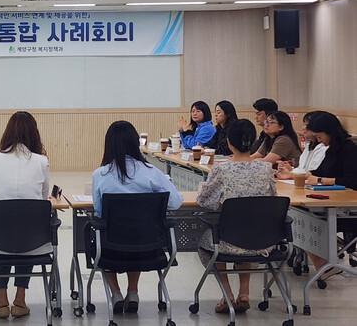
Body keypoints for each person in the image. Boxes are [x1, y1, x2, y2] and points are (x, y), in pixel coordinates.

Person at [91, 120, 183, 314]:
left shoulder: (100, 174)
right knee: (136, 233)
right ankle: (133, 292)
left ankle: (115, 293)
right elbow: (175, 202)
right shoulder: (151, 172)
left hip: (111, 247)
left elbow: (99, 212)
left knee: (104, 239)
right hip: (147, 246)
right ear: (135, 143)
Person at [196, 119, 276, 314]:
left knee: (209, 243)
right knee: (247, 226)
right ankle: (244, 292)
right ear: (254, 141)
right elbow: (272, 198)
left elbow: (205, 201)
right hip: (263, 241)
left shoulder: (221, 169)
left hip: (229, 240)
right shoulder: (266, 168)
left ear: (229, 142)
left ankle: (228, 294)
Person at [0, 111, 50, 319]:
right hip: (33, 241)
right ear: (34, 134)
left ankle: (1, 300)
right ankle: (20, 299)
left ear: (7, 133)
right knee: (26, 225)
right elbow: (43, 200)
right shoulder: (41, 161)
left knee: (3, 225)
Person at [304, 112, 357, 280]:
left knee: (306, 222)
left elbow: (352, 181)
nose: (319, 141)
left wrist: (321, 180)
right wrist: (303, 175)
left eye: (320, 136)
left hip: (348, 211)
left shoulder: (349, 149)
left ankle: (325, 265)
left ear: (330, 132)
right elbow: (320, 171)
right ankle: (324, 266)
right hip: (332, 204)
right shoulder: (332, 150)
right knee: (300, 216)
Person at [275, 111, 329, 179]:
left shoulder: (324, 147)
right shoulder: (310, 145)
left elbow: (314, 173)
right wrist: (290, 170)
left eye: (306, 125)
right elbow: (302, 169)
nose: (303, 128)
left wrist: (291, 173)